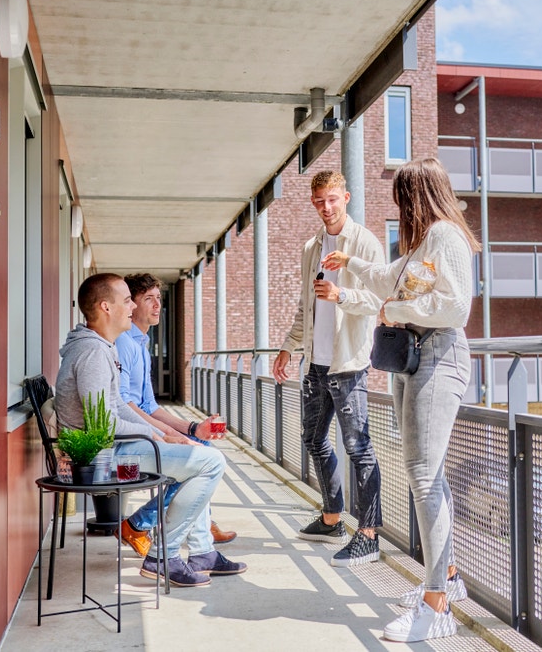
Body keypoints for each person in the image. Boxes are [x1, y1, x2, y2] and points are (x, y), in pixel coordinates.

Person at [321, 158, 479, 642]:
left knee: (424, 475)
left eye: (401, 199)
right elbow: (388, 279)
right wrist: (350, 268)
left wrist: (396, 309)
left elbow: (456, 306)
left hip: (440, 355)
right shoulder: (424, 243)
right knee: (422, 472)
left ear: (416, 196)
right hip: (416, 358)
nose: (399, 208)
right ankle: (447, 580)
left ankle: (435, 607)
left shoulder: (446, 237)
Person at [55, 272, 246, 587]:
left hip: (112, 454)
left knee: (197, 458)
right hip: (103, 466)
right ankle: (164, 556)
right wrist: (159, 436)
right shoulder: (92, 353)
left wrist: (167, 436)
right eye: (128, 300)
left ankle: (200, 554)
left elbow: (116, 409)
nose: (131, 307)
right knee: (210, 463)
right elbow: (105, 422)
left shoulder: (104, 347)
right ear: (105, 307)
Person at [273, 170, 385, 567]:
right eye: (319, 200)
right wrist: (289, 347)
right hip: (315, 364)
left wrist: (341, 295)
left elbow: (378, 300)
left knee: (359, 448)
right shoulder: (312, 247)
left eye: (332, 199)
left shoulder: (365, 242)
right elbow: (307, 305)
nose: (326, 207)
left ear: (346, 198)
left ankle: (369, 534)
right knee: (314, 439)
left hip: (348, 363)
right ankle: (333, 518)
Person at [116, 272, 236, 544]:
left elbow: (151, 406)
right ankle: (140, 524)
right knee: (199, 459)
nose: (158, 305)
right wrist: (169, 436)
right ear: (132, 305)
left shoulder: (141, 345)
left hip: (141, 432)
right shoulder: (125, 344)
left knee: (203, 447)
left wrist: (194, 429)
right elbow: (126, 405)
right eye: (149, 299)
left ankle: (197, 522)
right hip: (129, 441)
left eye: (159, 298)